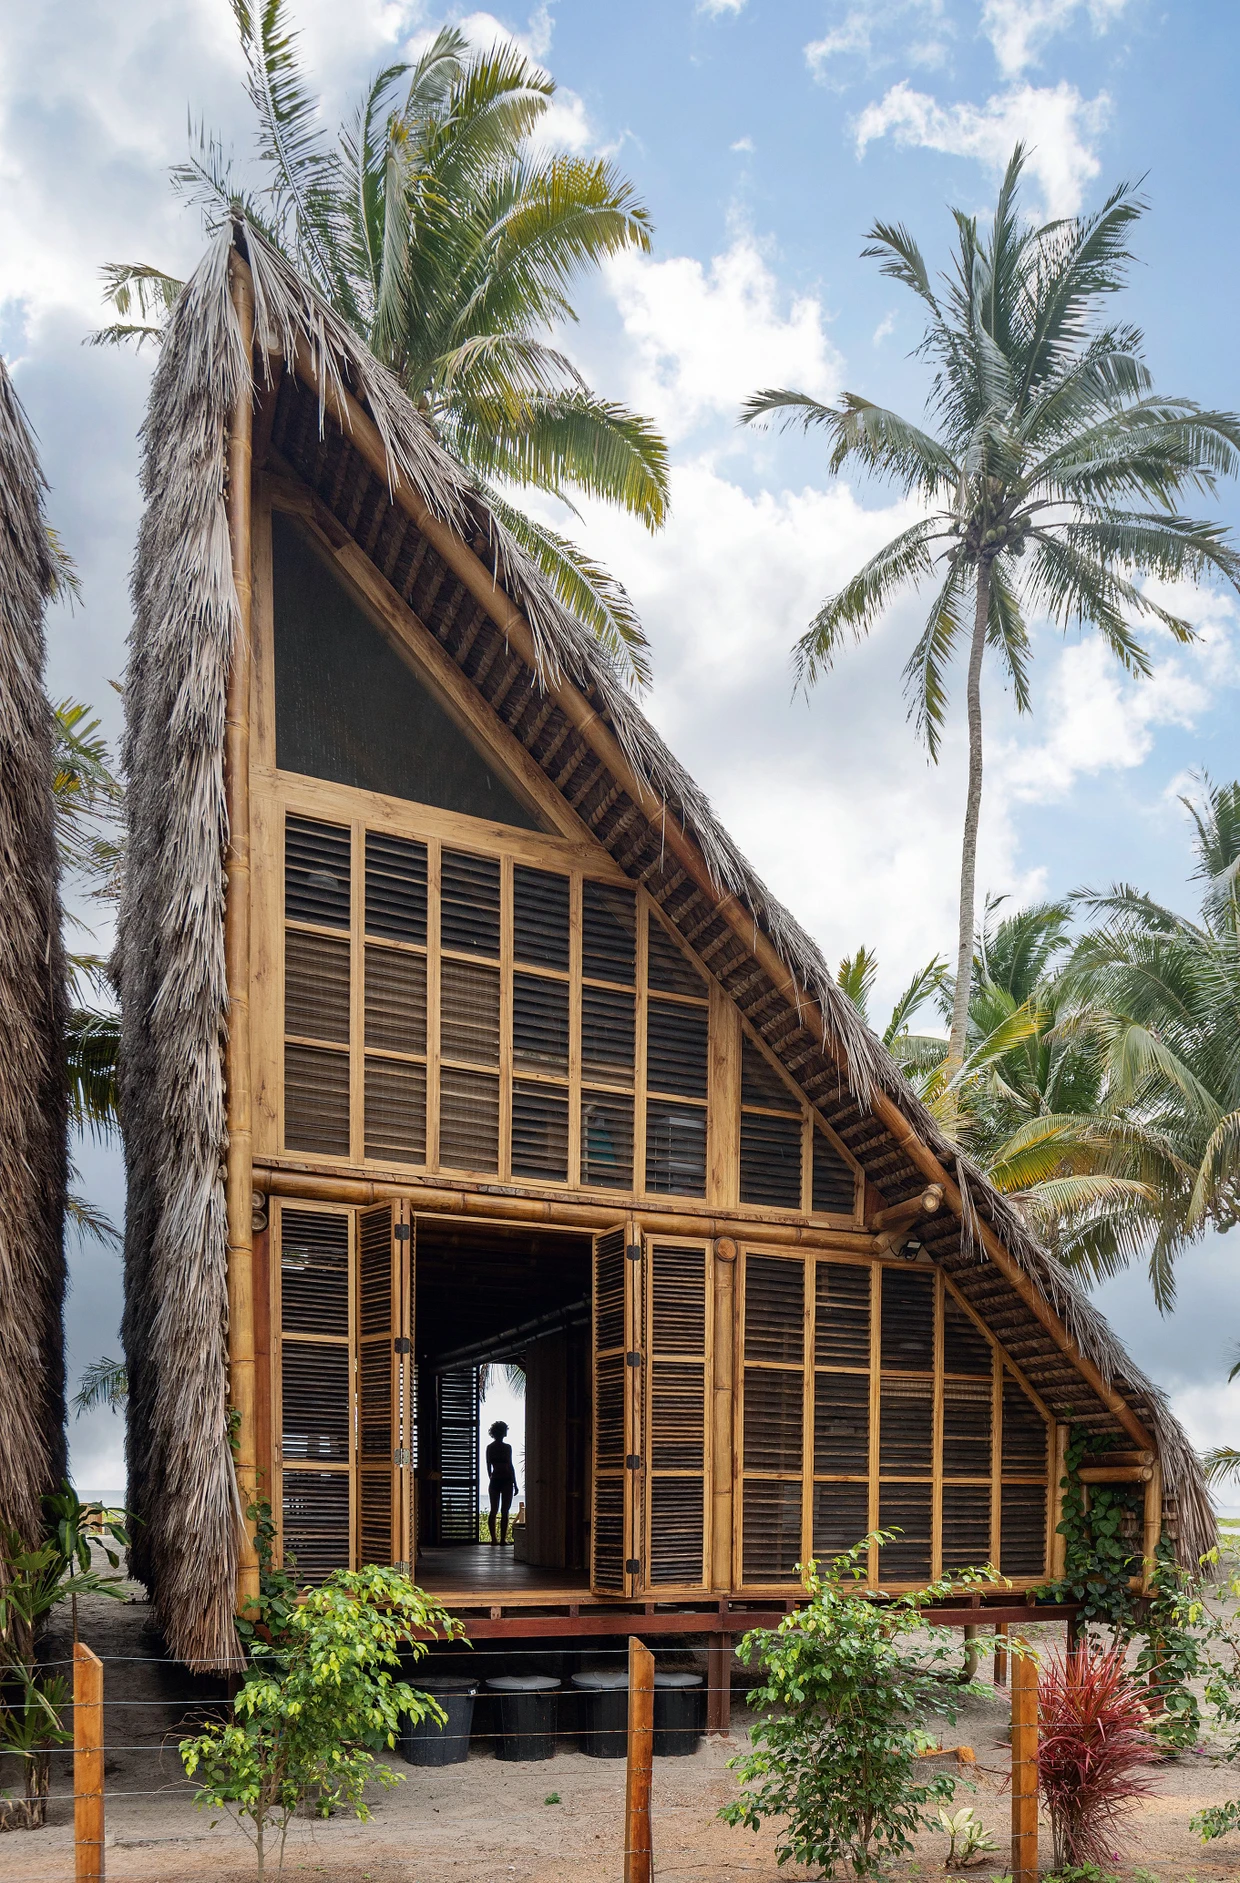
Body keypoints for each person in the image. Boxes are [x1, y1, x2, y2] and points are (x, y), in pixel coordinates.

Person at [485, 1420, 518, 1545]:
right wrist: (514, 1483)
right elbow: (510, 1465)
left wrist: (491, 1477)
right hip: (505, 1480)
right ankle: (501, 1539)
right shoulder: (506, 1447)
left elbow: (489, 1466)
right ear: (503, 1432)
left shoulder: (490, 1447)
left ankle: (495, 1539)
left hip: (496, 1480)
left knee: (494, 1510)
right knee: (504, 1511)